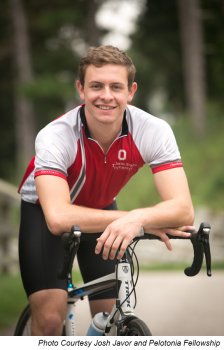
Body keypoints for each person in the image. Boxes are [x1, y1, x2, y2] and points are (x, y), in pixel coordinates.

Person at [18, 45, 194, 335]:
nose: (106, 95)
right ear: (81, 89)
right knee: (50, 319)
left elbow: (183, 208)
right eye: (96, 86)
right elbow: (58, 217)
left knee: (110, 317)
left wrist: (136, 219)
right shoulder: (55, 135)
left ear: (131, 91)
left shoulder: (153, 130)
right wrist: (135, 218)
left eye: (116, 86)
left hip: (102, 210)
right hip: (44, 213)